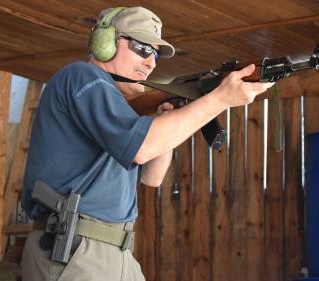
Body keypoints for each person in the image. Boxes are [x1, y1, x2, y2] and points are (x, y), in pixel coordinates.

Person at [20, 6, 273, 281]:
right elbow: (142, 149)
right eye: (142, 48)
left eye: (155, 54)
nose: (151, 62)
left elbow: (152, 177)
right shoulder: (83, 77)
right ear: (105, 43)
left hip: (115, 249)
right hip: (74, 248)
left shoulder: (117, 107)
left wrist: (168, 117)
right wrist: (220, 99)